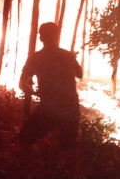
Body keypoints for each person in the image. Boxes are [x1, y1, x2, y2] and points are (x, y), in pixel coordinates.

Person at [18, 22, 83, 156]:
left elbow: (22, 83)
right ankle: (65, 174)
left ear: (41, 37)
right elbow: (80, 74)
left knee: (25, 138)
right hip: (69, 106)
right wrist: (72, 60)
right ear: (57, 36)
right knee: (69, 148)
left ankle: (30, 171)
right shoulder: (67, 55)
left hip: (49, 107)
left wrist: (31, 92)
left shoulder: (36, 58)